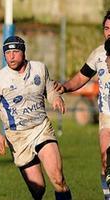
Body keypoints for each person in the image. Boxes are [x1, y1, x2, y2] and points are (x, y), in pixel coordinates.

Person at [0, 35, 72, 200]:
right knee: (38, 189)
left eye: (16, 52)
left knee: (58, 179)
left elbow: (50, 90)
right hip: (18, 137)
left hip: (41, 128)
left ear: (23, 52)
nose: (11, 57)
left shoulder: (39, 68)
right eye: (8, 53)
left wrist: (56, 98)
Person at [54, 10, 110, 199]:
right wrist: (65, 87)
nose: (109, 32)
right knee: (106, 162)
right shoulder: (98, 54)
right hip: (107, 117)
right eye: (106, 28)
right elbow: (81, 77)